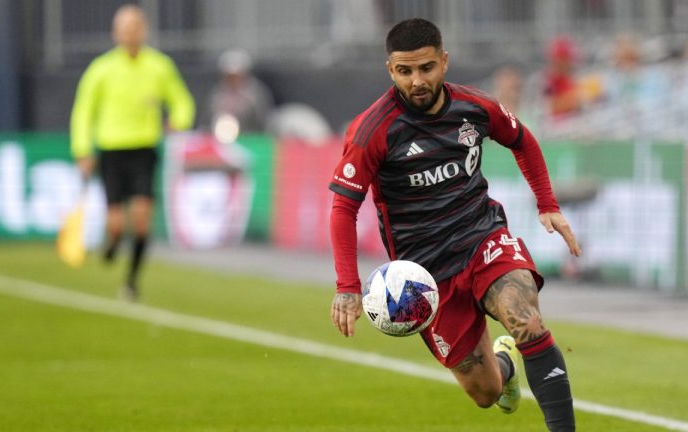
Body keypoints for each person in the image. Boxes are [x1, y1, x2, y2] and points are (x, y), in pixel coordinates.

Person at [328, 19, 580, 431]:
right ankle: (504, 366)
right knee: (486, 393)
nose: (417, 81)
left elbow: (523, 140)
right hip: (425, 274)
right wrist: (347, 288)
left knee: (527, 322)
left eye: (426, 68)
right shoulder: (372, 130)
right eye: (405, 71)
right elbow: (343, 209)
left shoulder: (474, 107)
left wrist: (547, 203)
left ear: (444, 62)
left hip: (482, 237)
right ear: (391, 70)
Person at [70, 4, 195, 301]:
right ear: (115, 33)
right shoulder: (101, 69)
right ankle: (112, 242)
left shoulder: (159, 66)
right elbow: (83, 112)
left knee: (141, 220)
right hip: (112, 151)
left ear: (143, 30)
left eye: (134, 28)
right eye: (124, 29)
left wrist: (178, 121)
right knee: (116, 224)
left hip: (143, 149)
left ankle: (131, 281)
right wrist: (82, 150)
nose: (129, 34)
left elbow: (182, 101)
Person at [206, 49, 274, 135]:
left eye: (237, 76)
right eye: (230, 76)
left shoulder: (255, 94)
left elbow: (263, 118)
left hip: (250, 136)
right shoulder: (217, 95)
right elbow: (209, 118)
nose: (233, 80)